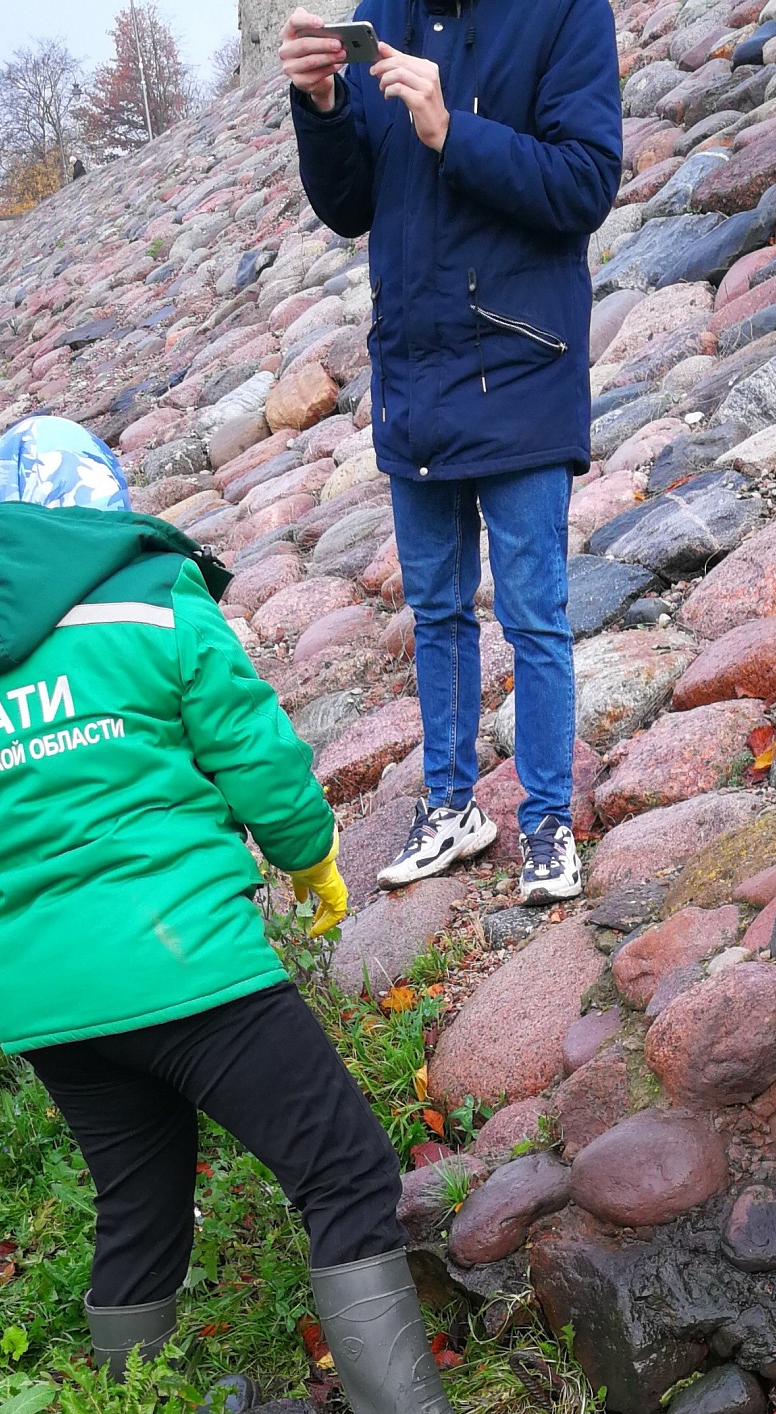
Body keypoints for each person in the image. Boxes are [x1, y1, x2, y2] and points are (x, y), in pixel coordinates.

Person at [0, 416, 552, 1414]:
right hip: (185, 964)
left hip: (45, 1004)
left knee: (138, 1202)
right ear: (96, 507)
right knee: (346, 1171)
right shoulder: (147, 599)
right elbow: (259, 759)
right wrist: (314, 861)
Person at [282, 0, 622, 905]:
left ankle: (548, 823)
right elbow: (348, 205)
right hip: (415, 377)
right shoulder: (382, 12)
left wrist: (451, 130)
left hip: (522, 364)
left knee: (534, 614)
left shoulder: (565, 11)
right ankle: (452, 808)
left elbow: (586, 184)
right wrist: (320, 108)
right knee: (435, 613)